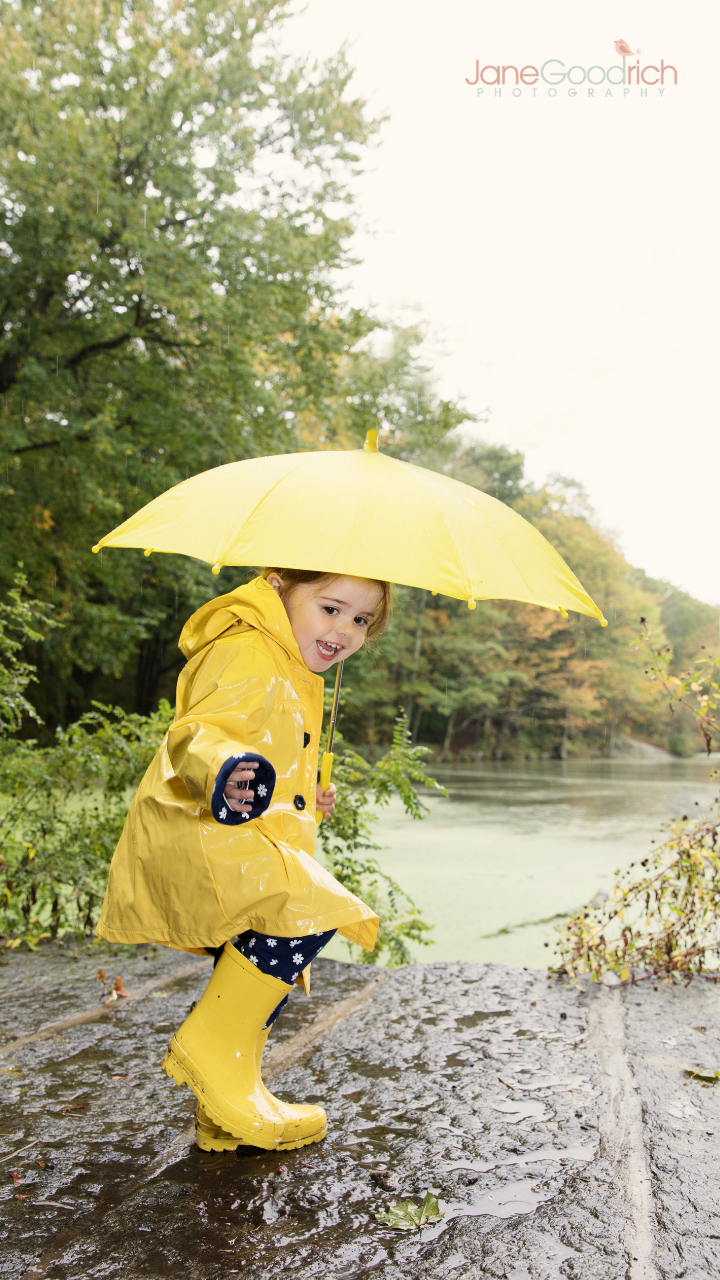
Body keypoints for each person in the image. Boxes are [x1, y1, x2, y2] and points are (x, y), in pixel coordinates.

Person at [96, 568, 390, 1152]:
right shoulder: (246, 647)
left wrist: (308, 796)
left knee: (253, 963)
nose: (345, 631)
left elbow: (274, 759)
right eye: (331, 608)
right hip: (200, 826)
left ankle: (226, 1106)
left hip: (244, 833)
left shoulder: (295, 667)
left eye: (361, 620)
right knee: (309, 910)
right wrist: (225, 773)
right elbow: (200, 733)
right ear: (279, 588)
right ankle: (212, 1056)